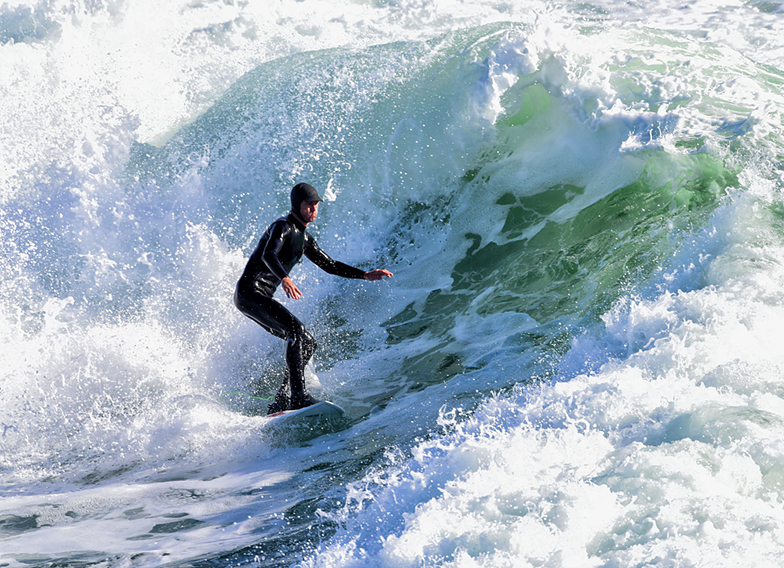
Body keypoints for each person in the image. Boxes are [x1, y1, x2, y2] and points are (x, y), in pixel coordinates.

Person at [234, 182, 393, 414]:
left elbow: (330, 265)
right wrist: (285, 278)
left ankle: (282, 400)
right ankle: (299, 398)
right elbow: (269, 254)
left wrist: (364, 275)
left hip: (258, 296)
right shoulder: (282, 226)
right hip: (250, 293)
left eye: (316, 205)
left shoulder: (305, 239)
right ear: (297, 205)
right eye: (309, 205)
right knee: (296, 331)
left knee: (307, 342)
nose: (313, 209)